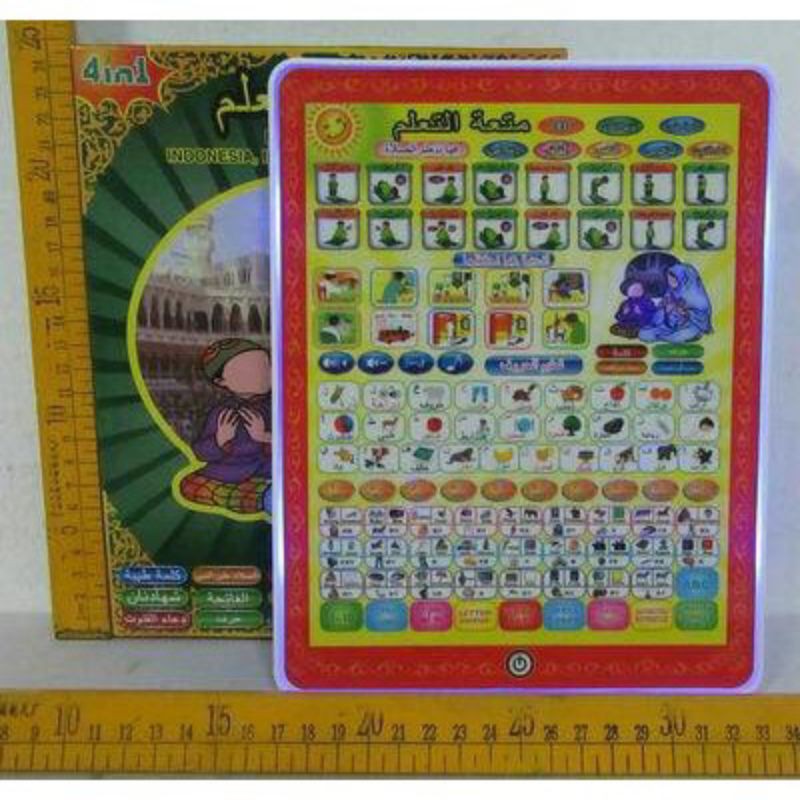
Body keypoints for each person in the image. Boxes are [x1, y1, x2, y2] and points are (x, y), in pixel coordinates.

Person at [180, 339, 271, 515]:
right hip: (228, 471)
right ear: (221, 381)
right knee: (189, 485)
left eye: (265, 367)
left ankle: (261, 497)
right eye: (246, 371)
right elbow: (201, 451)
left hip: (263, 469)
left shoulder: (274, 405)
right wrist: (220, 441)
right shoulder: (222, 412)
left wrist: (263, 436)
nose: (261, 375)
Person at [638, 262, 713, 343]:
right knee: (644, 333)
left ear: (684, 279)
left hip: (689, 325)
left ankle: (676, 336)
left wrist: (683, 312)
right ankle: (664, 334)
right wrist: (666, 308)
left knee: (680, 335)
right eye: (669, 280)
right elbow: (663, 305)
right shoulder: (671, 291)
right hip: (670, 323)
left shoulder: (696, 296)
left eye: (673, 280)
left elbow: (702, 316)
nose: (670, 283)